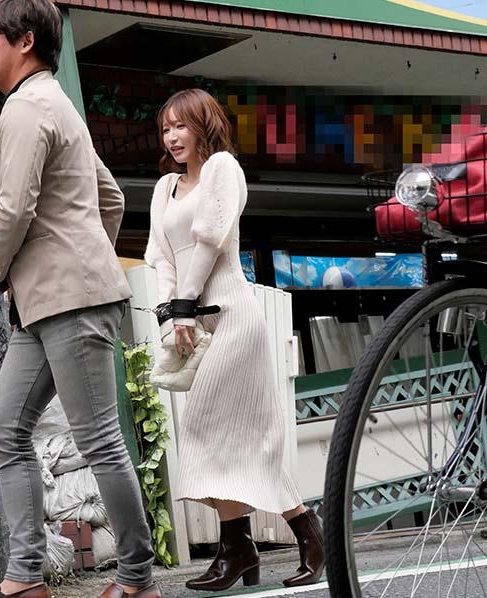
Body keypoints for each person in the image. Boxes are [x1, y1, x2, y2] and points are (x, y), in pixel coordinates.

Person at [0, 2, 160, 598]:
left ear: (25, 41)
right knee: (6, 429)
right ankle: (25, 578)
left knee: (99, 439)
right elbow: (110, 199)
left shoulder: (28, 107)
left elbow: (14, 209)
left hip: (66, 303)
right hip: (47, 305)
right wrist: (85, 258)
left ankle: (138, 582)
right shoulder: (56, 105)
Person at [144, 89, 324, 591]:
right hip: (194, 322)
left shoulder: (223, 169)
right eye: (165, 129)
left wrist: (185, 306)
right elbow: (162, 259)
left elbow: (210, 241)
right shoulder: (164, 188)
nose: (172, 137)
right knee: (237, 439)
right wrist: (171, 318)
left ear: (204, 125)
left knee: (207, 427)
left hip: (233, 317)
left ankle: (241, 548)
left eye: (181, 125)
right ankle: (292, 536)